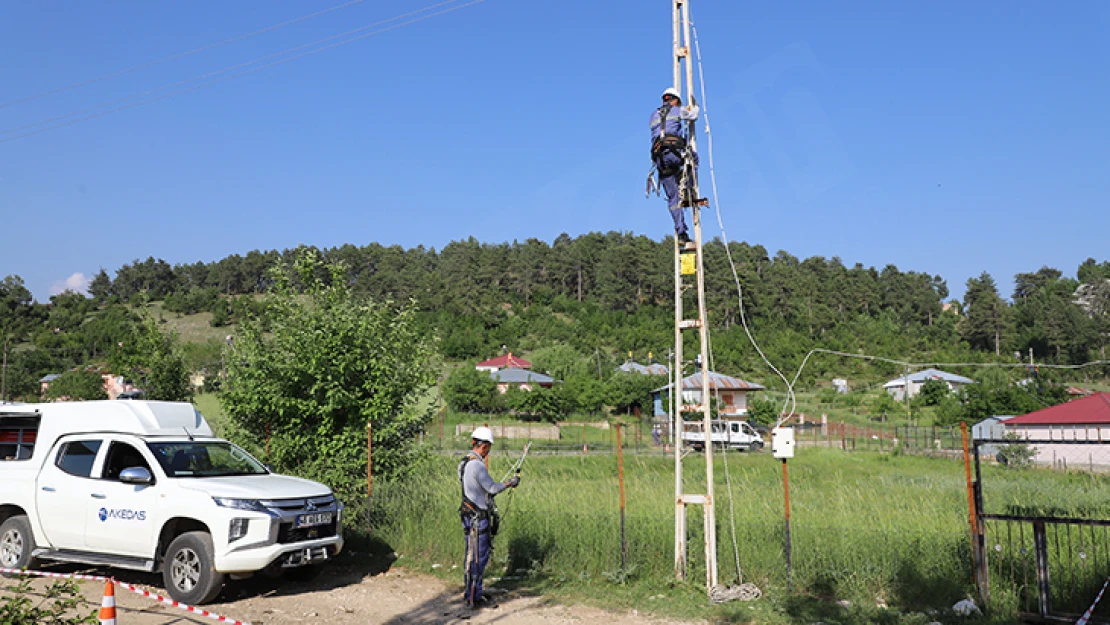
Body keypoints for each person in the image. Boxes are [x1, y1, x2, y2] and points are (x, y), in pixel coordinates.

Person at [459, 426, 520, 609]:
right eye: (489, 447)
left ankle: (470, 591)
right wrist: (510, 483)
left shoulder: (463, 463)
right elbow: (492, 488)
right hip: (478, 518)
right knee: (479, 557)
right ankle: (474, 597)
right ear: (483, 446)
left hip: (467, 514)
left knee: (470, 555)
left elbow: (474, 489)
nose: (488, 452)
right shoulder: (477, 465)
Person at [650, 87, 701, 245]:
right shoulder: (677, 111)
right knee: (693, 160)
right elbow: (693, 115)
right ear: (675, 100)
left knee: (673, 199)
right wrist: (695, 105)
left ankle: (681, 232)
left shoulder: (653, 114)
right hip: (674, 153)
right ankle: (691, 189)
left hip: (660, 159)